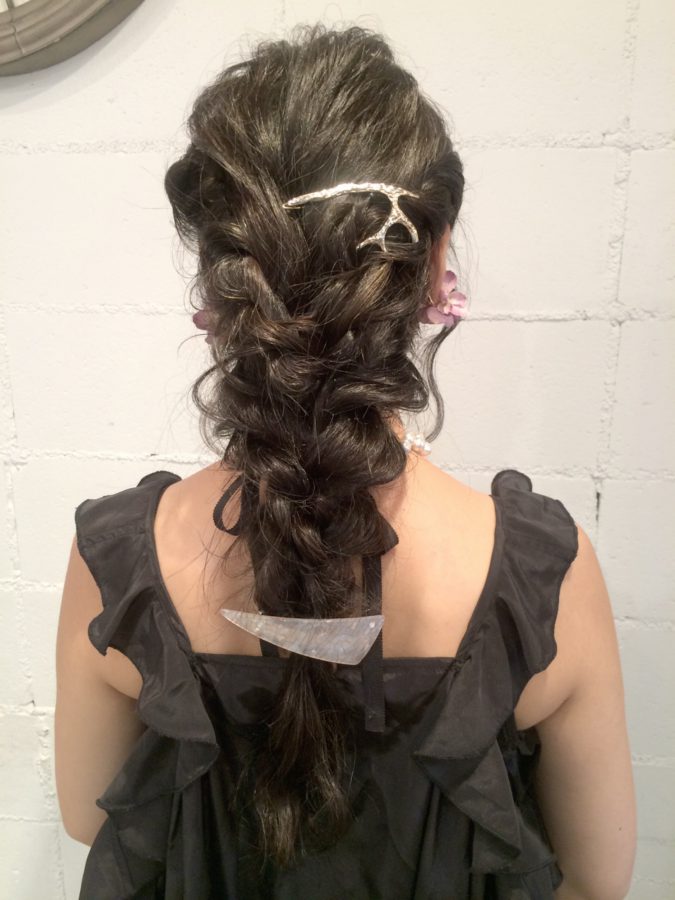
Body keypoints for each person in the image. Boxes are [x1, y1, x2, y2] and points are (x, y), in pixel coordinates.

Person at [55, 22, 636, 900]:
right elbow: (597, 879)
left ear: (219, 284)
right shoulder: (539, 577)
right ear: (433, 262)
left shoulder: (118, 562)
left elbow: (90, 816)